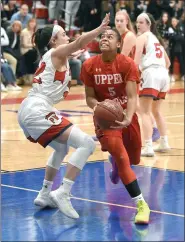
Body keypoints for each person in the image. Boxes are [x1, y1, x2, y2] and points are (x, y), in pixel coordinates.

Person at [17, 13, 110, 219]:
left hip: (31, 108)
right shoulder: (56, 53)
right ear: (53, 41)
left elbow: (72, 49)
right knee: (86, 144)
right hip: (38, 108)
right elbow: (78, 42)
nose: (67, 36)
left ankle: (44, 192)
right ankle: (63, 192)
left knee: (61, 147)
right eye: (63, 34)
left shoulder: (58, 56)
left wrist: (71, 54)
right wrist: (99, 30)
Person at [80, 28, 150, 224]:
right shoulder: (89, 65)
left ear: (119, 44)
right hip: (105, 119)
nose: (104, 39)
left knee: (133, 158)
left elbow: (132, 96)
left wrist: (127, 118)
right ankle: (142, 205)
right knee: (121, 156)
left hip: (126, 115)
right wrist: (100, 106)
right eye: (102, 36)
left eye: (110, 37)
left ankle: (116, 164)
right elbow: (89, 97)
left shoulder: (127, 64)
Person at [134, 13, 171, 157]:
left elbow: (135, 62)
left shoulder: (142, 38)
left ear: (149, 24)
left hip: (151, 73)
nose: (138, 25)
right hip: (163, 75)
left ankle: (148, 146)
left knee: (144, 111)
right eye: (137, 22)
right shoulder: (157, 40)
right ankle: (164, 142)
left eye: (141, 22)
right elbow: (167, 63)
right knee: (156, 111)